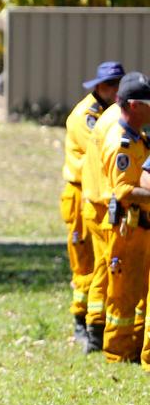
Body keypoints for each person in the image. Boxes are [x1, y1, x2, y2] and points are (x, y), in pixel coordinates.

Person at [79, 73, 150, 360]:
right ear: (133, 106)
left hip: (138, 230)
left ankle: (132, 347)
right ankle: (117, 353)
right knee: (122, 293)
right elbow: (123, 190)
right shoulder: (120, 143)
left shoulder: (137, 138)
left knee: (135, 289)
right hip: (125, 229)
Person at [61, 62, 123, 340]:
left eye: (119, 85)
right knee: (83, 260)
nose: (117, 91)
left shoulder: (106, 112)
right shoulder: (87, 116)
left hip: (95, 191)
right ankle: (80, 320)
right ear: (99, 87)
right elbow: (102, 147)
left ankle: (94, 318)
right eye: (112, 86)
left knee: (100, 259)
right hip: (79, 192)